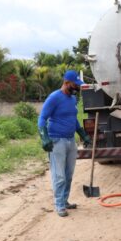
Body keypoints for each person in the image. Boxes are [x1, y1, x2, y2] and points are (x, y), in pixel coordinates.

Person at [38, 70, 92, 217]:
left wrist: (83, 135)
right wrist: (44, 137)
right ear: (67, 82)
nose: (77, 87)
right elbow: (42, 118)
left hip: (70, 140)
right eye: (75, 84)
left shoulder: (72, 99)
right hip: (57, 141)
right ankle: (59, 205)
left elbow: (73, 119)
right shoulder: (54, 97)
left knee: (68, 175)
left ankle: (65, 200)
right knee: (59, 175)